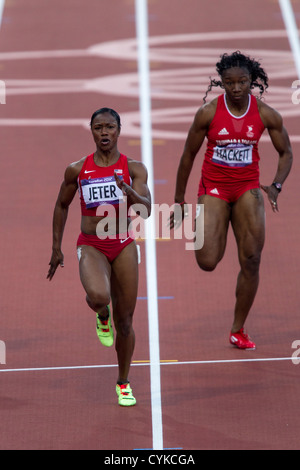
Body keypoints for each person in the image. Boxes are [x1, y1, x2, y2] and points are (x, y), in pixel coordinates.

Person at [170, 51, 293, 350]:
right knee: (208, 261)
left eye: (242, 82)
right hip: (213, 188)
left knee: (252, 260)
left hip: (247, 188)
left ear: (252, 81)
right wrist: (178, 200)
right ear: (221, 83)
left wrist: (276, 184)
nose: (236, 88)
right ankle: (216, 221)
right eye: (229, 83)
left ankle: (238, 329)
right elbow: (188, 155)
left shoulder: (265, 114)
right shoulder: (208, 113)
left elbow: (286, 152)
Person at [47, 107, 151, 406]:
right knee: (97, 296)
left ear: (119, 130)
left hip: (123, 244)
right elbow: (61, 205)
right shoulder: (78, 169)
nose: (104, 133)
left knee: (127, 321)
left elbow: (145, 209)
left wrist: (130, 191)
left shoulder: (135, 168)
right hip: (92, 244)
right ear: (91, 131)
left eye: (109, 127)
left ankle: (123, 382)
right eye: (98, 128)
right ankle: (101, 315)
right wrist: (56, 247)